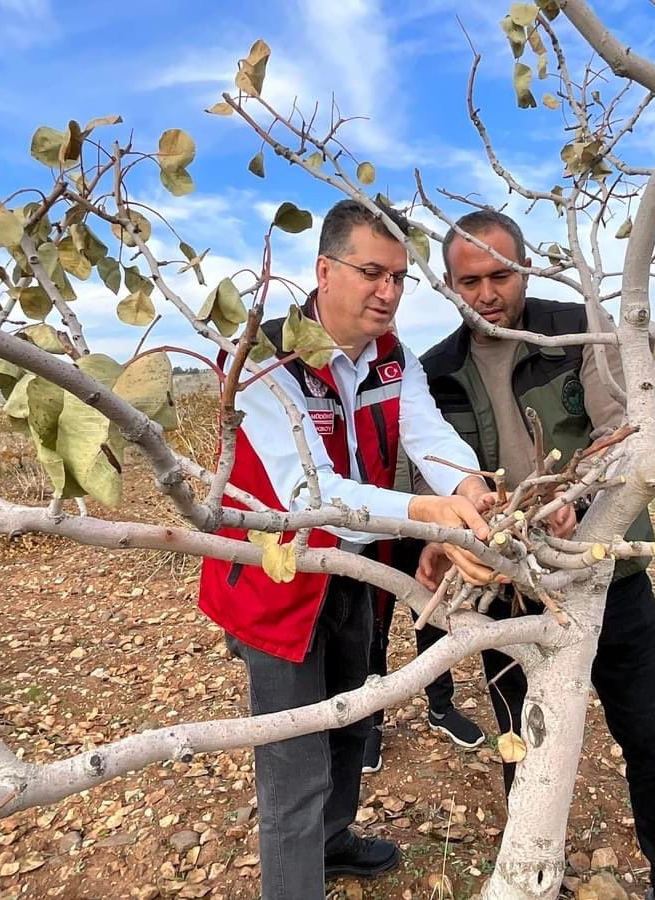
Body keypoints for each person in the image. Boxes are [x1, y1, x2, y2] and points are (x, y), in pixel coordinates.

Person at [197, 199, 495, 899]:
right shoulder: (262, 358)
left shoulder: (393, 357)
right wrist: (426, 512)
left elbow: (429, 435)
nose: (388, 292)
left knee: (353, 721)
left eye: (399, 277)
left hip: (356, 571)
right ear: (324, 270)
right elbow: (309, 491)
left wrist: (471, 488)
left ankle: (332, 843)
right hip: (277, 584)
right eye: (372, 273)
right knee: (293, 762)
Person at [409, 210, 655, 900]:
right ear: (450, 286)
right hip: (507, 593)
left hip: (606, 577)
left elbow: (624, 430)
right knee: (523, 742)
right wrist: (437, 540)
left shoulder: (577, 331)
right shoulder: (436, 371)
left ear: (526, 269)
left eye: (501, 275)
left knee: (652, 742)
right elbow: (422, 473)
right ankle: (536, 874)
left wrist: (576, 494)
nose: (487, 294)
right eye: (469, 282)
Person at [364, 528, 486, 775]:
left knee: (432, 620)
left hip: (419, 531)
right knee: (373, 628)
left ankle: (441, 709)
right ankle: (371, 723)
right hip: (374, 536)